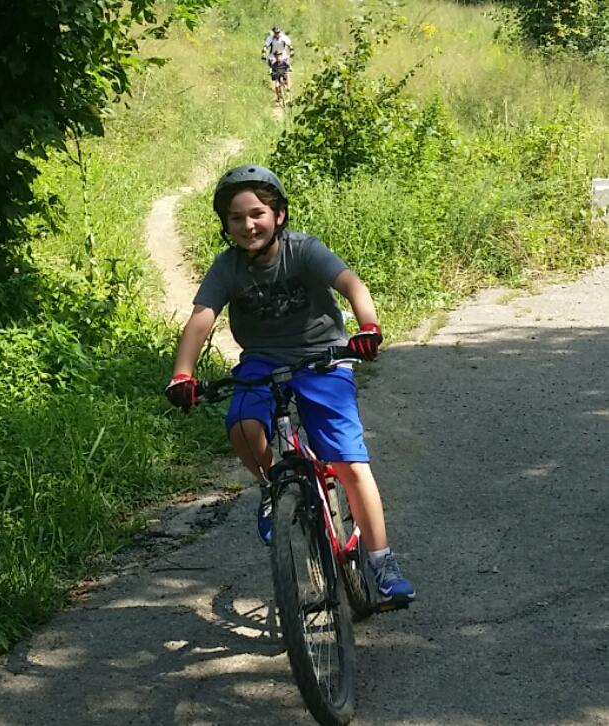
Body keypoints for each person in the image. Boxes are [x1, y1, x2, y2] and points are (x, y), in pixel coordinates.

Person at [164, 165, 415, 608]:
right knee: (242, 423)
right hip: (262, 359)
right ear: (226, 225)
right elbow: (202, 318)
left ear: (278, 215)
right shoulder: (228, 267)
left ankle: (382, 561)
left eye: (257, 213)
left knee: (349, 462)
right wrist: (182, 372)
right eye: (236, 218)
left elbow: (350, 283)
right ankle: (271, 487)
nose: (248, 225)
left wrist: (368, 326)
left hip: (322, 355)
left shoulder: (302, 251)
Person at [261, 26, 294, 90]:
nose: (277, 34)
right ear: (273, 32)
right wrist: (263, 54)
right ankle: (274, 76)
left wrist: (292, 52)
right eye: (276, 33)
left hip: (283, 55)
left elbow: (290, 45)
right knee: (273, 68)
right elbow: (265, 47)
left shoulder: (284, 38)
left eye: (278, 32)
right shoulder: (270, 38)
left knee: (286, 69)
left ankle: (288, 83)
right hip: (273, 56)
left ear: (280, 32)